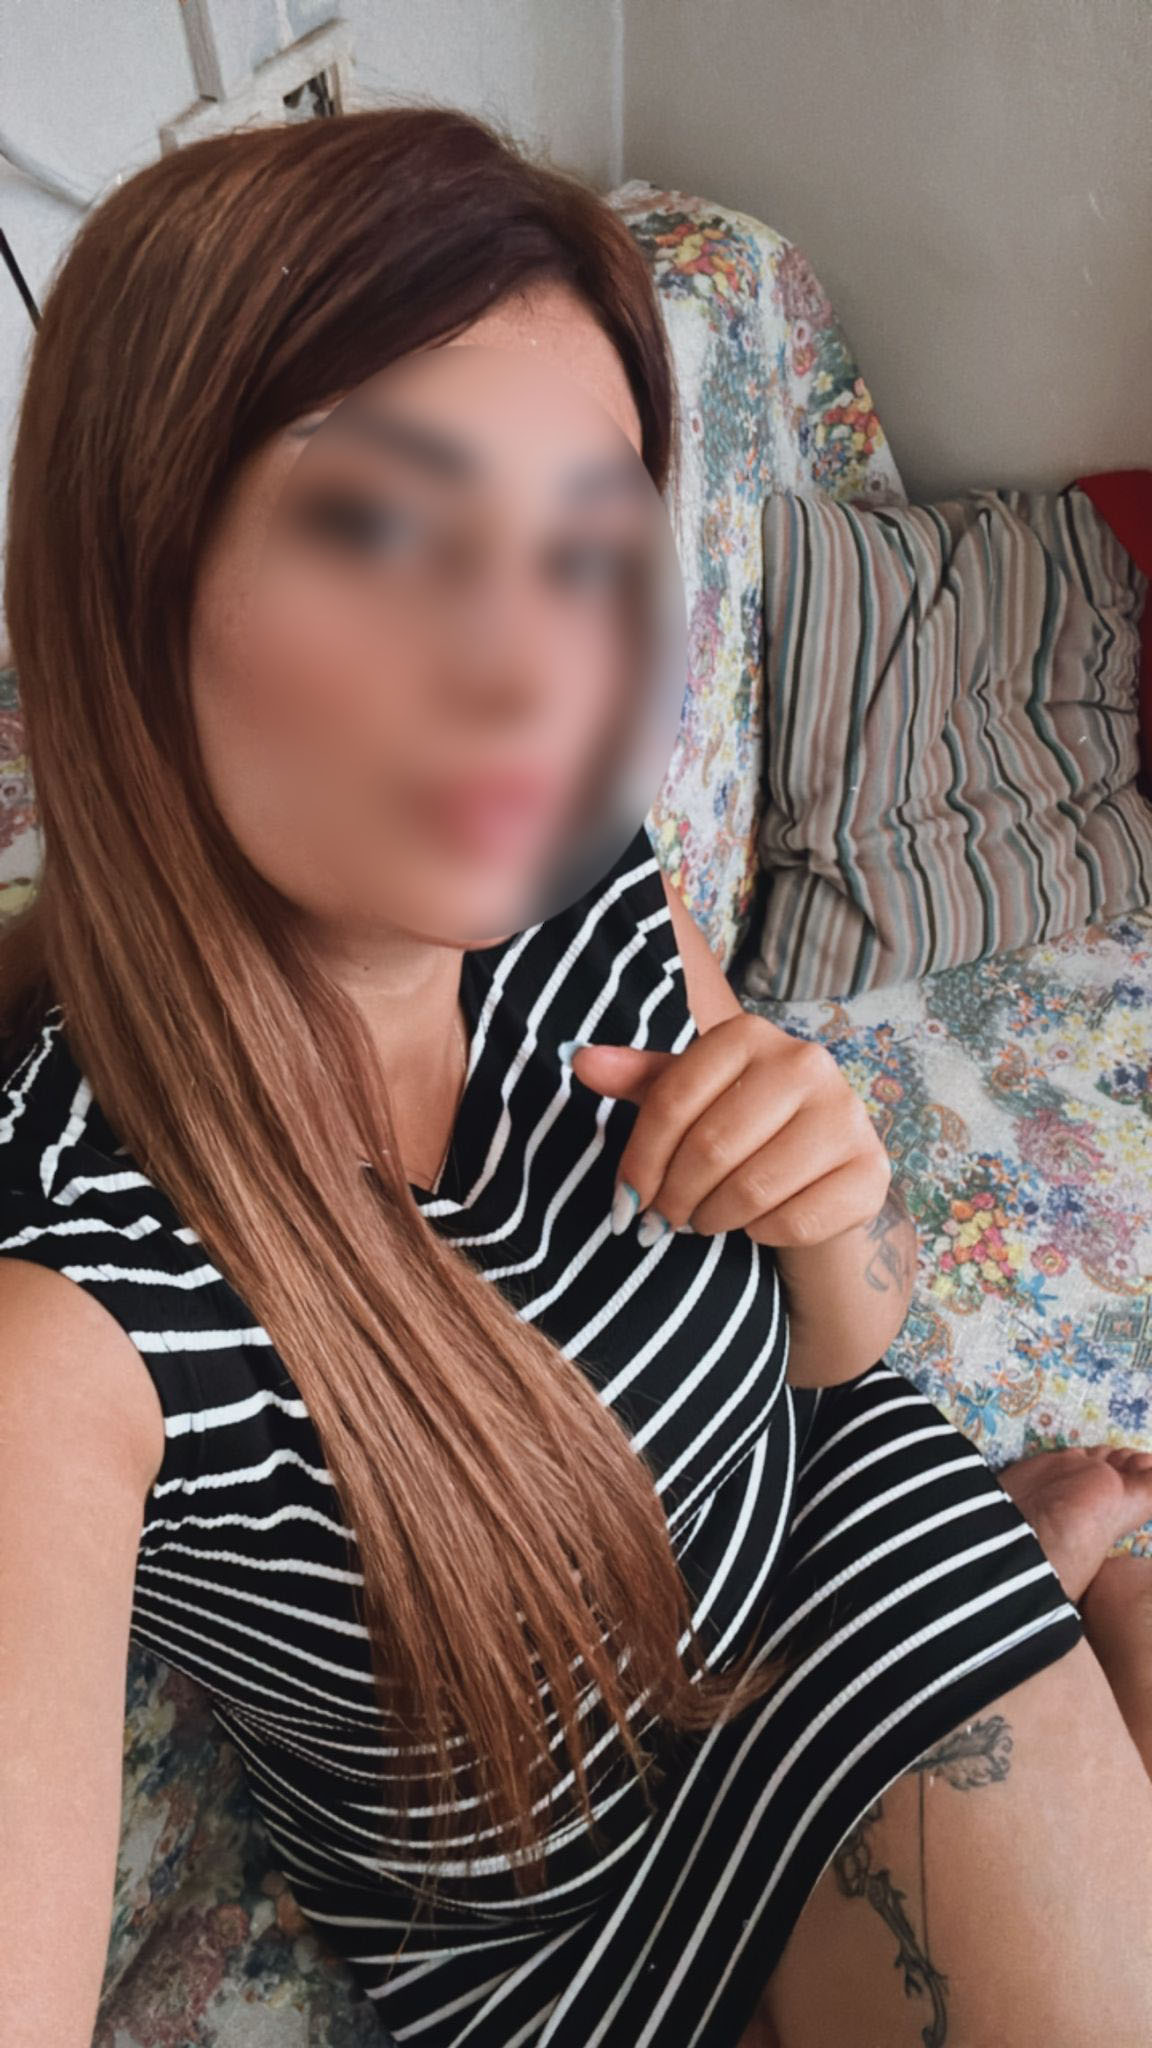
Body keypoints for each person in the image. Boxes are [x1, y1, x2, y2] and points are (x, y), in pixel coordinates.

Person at [1, 104, 1150, 2048]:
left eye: (588, 549)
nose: (531, 672)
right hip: (557, 1927)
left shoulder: (584, 875)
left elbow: (843, 1353)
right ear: (130, 582)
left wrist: (831, 1208)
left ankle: (1045, 1573)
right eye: (382, 525)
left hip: (840, 1551)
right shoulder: (71, 1304)